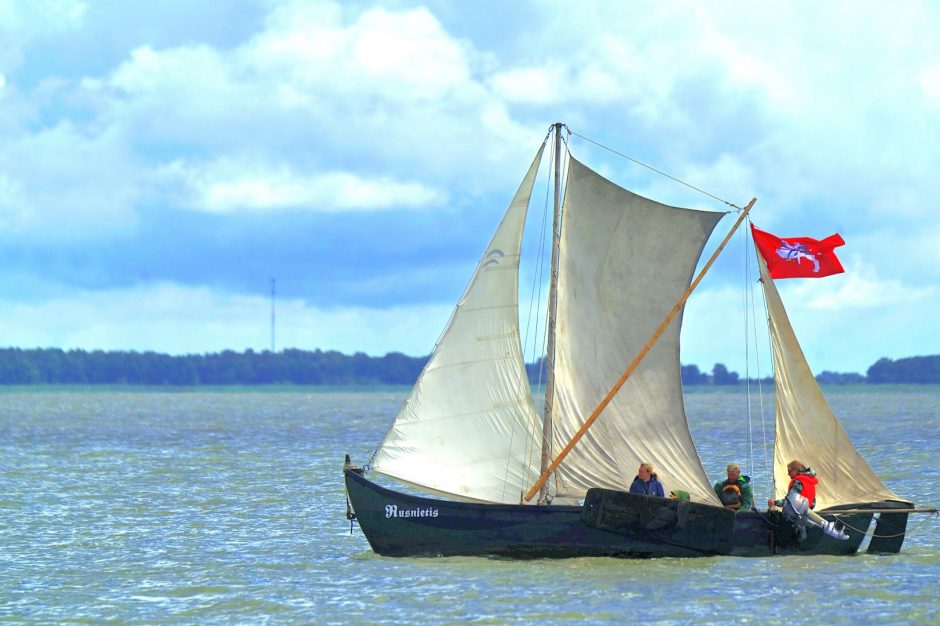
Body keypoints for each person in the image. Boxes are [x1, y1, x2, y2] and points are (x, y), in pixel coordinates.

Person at [767, 459, 848, 540]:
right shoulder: (809, 480)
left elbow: (790, 501)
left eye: (790, 471)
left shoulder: (797, 482)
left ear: (796, 470)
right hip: (806, 512)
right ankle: (829, 527)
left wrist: (775, 502)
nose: (788, 474)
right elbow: (813, 503)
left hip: (798, 515)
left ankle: (828, 527)